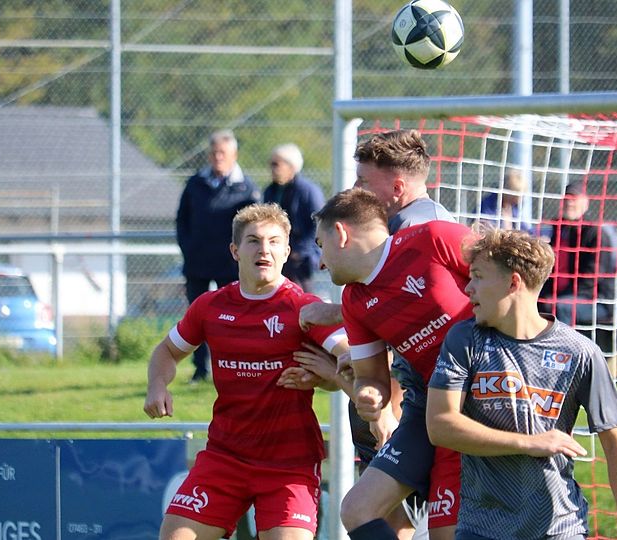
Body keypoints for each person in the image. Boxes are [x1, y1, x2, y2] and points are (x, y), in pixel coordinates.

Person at [426, 227, 617, 539]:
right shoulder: (465, 340)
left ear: (513, 282)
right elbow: (439, 425)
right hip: (482, 528)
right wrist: (529, 443)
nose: (468, 288)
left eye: (477, 276)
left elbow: (616, 442)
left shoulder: (580, 352)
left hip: (560, 528)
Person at [145, 203, 348, 540]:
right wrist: (156, 385)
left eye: (273, 242)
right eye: (253, 241)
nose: (264, 250)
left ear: (286, 252)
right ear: (235, 251)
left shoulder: (304, 308)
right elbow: (166, 351)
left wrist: (329, 376)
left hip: (288, 464)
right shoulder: (210, 307)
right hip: (225, 458)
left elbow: (350, 358)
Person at [300, 128, 456, 539]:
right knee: (369, 512)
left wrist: (387, 410)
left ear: (398, 187)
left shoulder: (425, 231)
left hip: (442, 404)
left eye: (363, 181)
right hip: (418, 404)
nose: (356, 191)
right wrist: (364, 377)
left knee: (412, 520)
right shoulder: (388, 245)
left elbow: (420, 316)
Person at [176, 129, 260, 383]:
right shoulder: (195, 183)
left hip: (229, 265)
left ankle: (232, 367)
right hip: (198, 263)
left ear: (234, 154)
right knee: (197, 316)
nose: (218, 157)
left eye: (222, 153)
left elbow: (252, 226)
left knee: (232, 317)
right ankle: (200, 369)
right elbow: (182, 220)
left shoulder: (246, 188)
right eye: (214, 153)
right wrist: (189, 249)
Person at [537, 180, 617, 329]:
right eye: (566, 199)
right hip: (559, 295)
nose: (569, 203)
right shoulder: (559, 231)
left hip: (594, 300)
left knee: (560, 307)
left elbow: (592, 277)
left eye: (574, 199)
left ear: (585, 203)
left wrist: (562, 295)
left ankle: (564, 344)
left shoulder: (595, 234)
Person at [263, 143, 325, 292]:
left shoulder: (308, 191)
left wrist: (301, 251)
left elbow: (319, 222)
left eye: (276, 164)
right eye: (271, 164)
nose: (272, 168)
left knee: (300, 295)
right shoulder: (271, 190)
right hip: (278, 254)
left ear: (291, 166)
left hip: (300, 261)